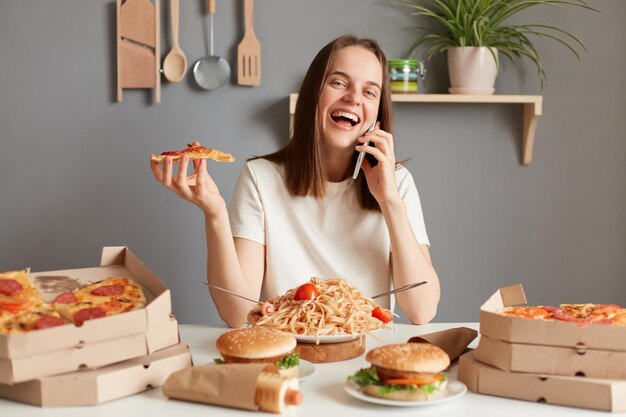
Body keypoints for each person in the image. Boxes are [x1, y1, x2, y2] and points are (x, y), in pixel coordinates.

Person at [150, 34, 440, 328]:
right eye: (338, 82)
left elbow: (422, 310)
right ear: (313, 93)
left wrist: (389, 201)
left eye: (369, 92)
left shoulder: (397, 183)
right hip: (287, 353)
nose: (353, 97)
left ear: (378, 115)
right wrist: (214, 213)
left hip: (368, 353)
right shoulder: (261, 177)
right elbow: (239, 314)